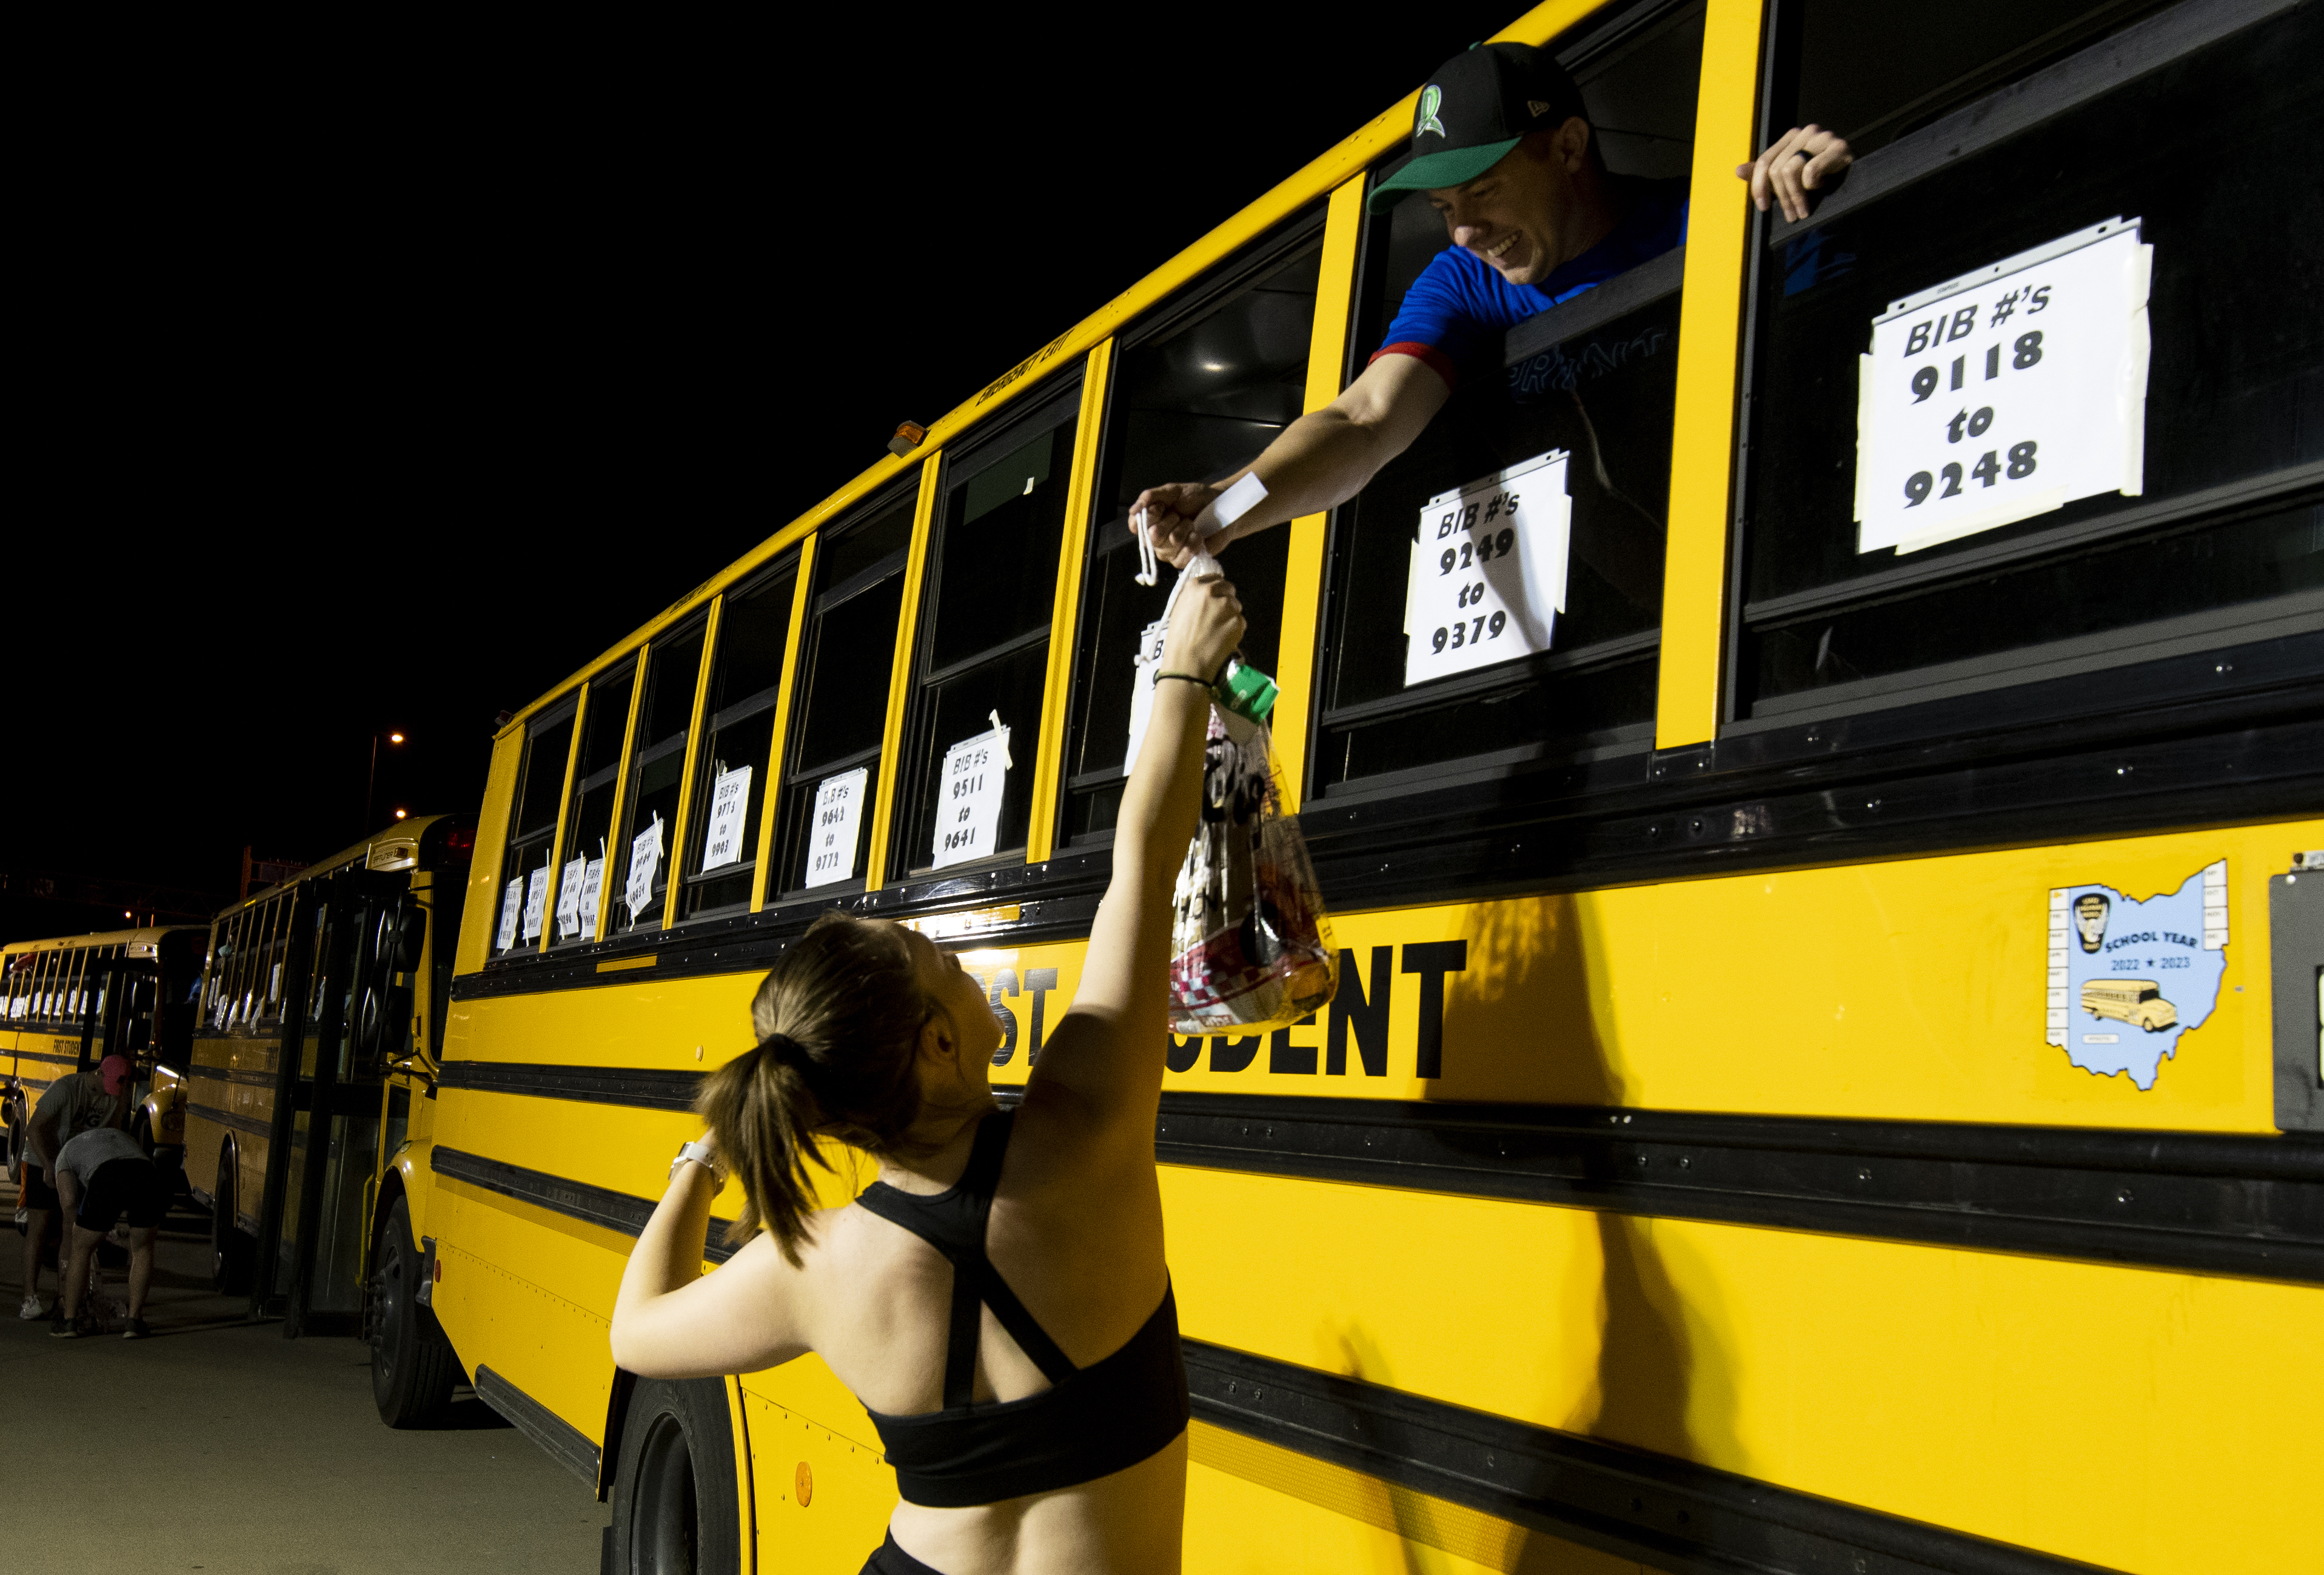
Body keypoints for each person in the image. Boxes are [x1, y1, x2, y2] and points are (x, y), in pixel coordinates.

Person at [609, 566, 1247, 1575]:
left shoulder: (815, 1267)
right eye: (935, 956)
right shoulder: (1082, 1128)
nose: (955, 956)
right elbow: (1144, 860)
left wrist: (703, 1163)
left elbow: (636, 1331)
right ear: (939, 1043)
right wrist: (1183, 671)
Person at [1128, 42, 1854, 569]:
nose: (1465, 232)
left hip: (1798, 564)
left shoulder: (1713, 220)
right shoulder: (1465, 282)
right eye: (1445, 207)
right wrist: (1224, 505)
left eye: (1483, 191)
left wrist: (1820, 194)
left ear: (1569, 147)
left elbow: (1848, 358)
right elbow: (1361, 420)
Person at [16, 1055, 122, 1319]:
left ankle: (65, 1297)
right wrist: (48, 1165)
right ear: (99, 1073)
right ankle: (30, 1299)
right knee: (39, 1228)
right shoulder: (65, 1088)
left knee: (71, 1230)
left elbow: (110, 1136)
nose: (109, 1095)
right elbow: (33, 1129)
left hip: (75, 1165)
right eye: (107, 1086)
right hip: (42, 1158)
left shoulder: (116, 1095)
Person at [49, 1122, 168, 1339]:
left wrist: (85, 1228)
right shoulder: (120, 1135)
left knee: (80, 1250)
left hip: (107, 1175)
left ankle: (69, 1321)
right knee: (143, 1249)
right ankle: (134, 1321)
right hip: (147, 1174)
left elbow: (69, 1203)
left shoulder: (65, 1154)